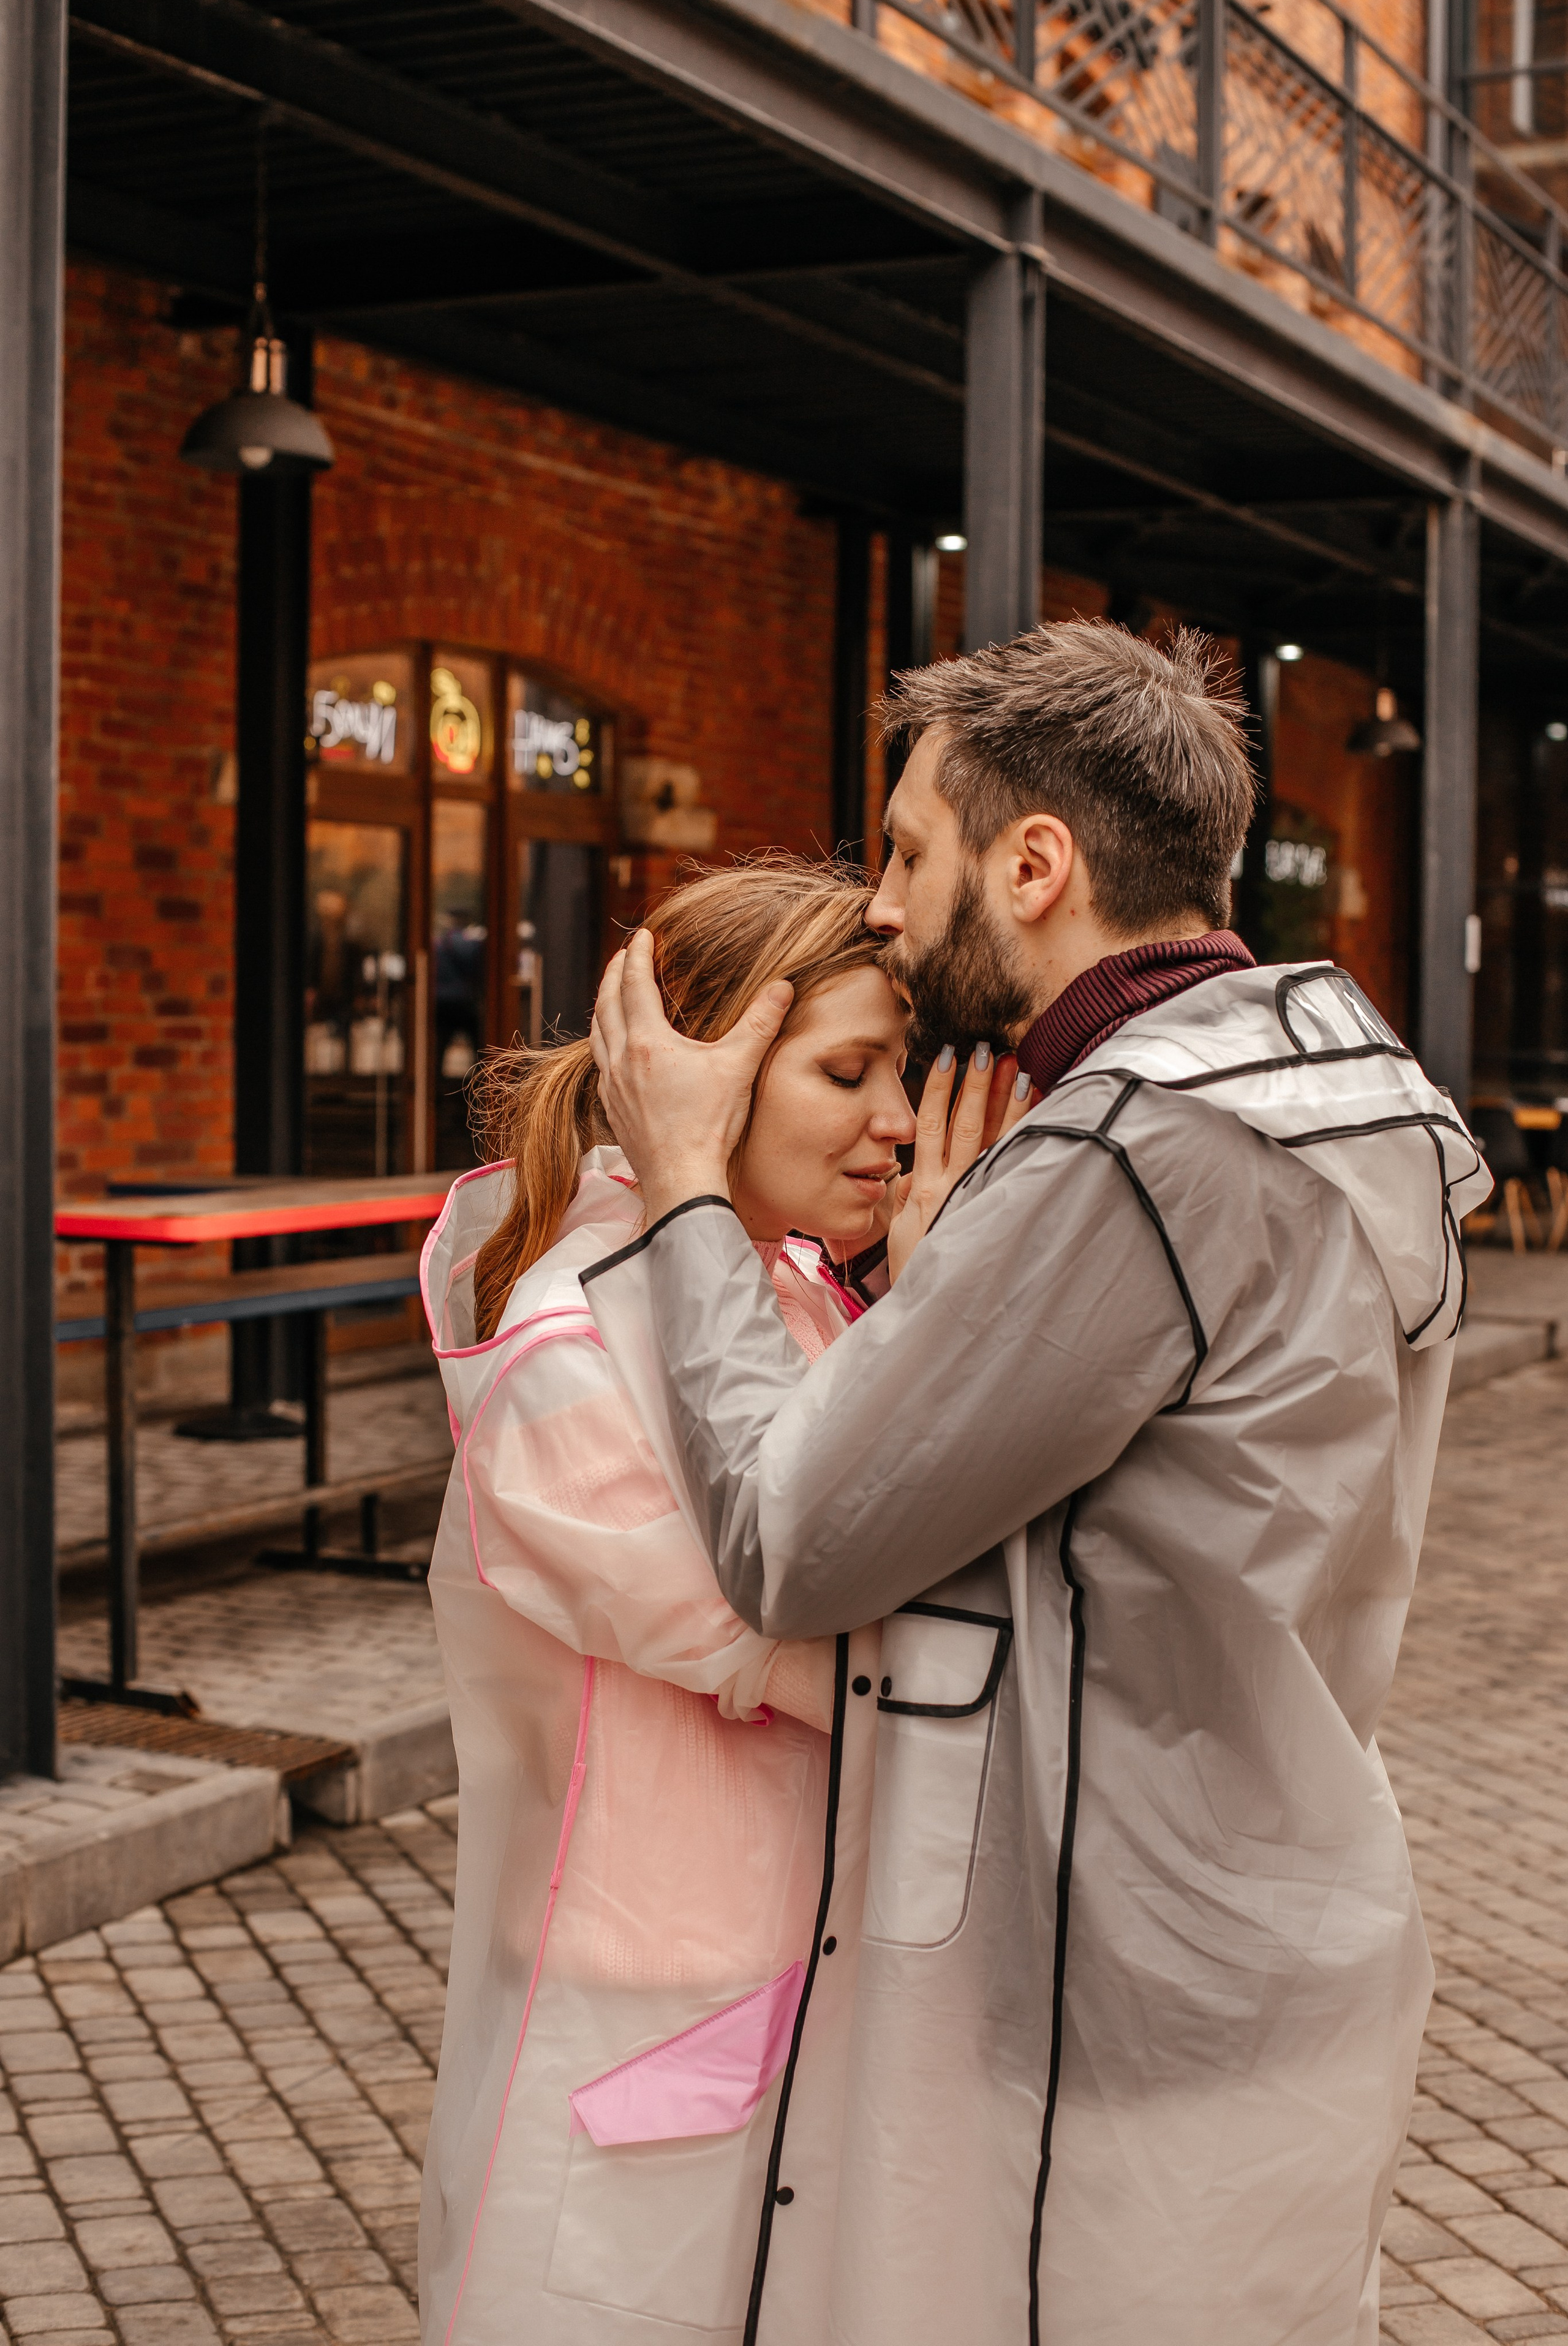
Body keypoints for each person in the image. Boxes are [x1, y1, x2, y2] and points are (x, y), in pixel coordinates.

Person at [585, 621, 1493, 2346]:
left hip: (1123, 1984)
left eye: (912, 855)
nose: (880, 905)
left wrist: (690, 1186)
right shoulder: (1351, 1075)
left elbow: (792, 1542)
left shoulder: (1136, 1141)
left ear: (1037, 863)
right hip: (1286, 1901)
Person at [419, 858, 991, 2346]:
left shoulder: (787, 1283)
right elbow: (806, 1641)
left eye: (902, 1073)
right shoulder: (561, 1348)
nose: (894, 1121)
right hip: (652, 1998)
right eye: (846, 1071)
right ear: (704, 1078)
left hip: (799, 1963)